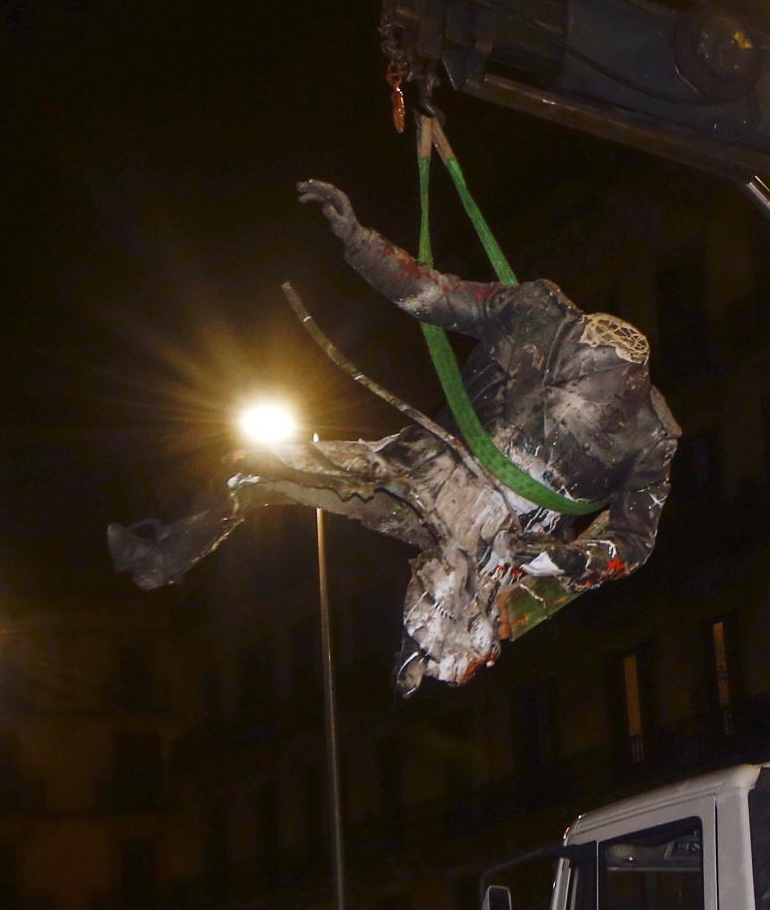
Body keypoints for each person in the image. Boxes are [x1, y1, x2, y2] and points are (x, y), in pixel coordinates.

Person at [108, 180, 679, 694]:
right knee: (255, 466)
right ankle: (162, 555)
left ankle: (429, 645)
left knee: (444, 650)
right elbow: (431, 293)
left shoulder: (651, 436)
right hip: (423, 464)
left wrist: (563, 560)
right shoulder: (535, 311)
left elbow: (634, 541)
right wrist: (360, 241)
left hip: (503, 536)